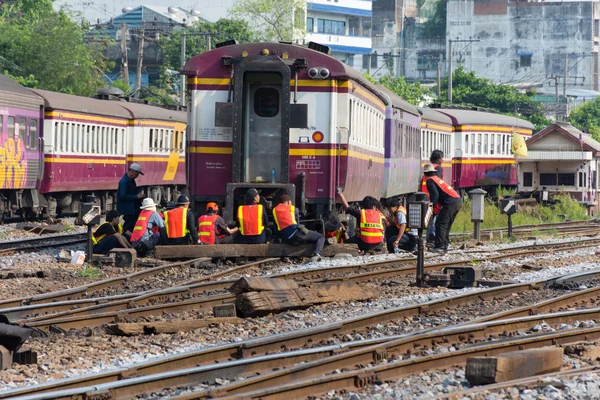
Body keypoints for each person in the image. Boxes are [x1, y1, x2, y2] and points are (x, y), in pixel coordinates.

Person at [273, 194, 326, 262]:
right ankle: (317, 253)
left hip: (287, 238)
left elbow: (276, 228)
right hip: (297, 235)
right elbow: (297, 224)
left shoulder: (274, 210)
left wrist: (276, 242)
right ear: (288, 202)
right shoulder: (293, 209)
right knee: (320, 237)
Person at [423, 164, 462, 254]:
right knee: (446, 225)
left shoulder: (430, 181)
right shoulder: (436, 179)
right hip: (457, 200)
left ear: (425, 173)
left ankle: (440, 246)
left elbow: (435, 196)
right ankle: (444, 245)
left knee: (440, 224)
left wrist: (431, 208)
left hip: (450, 203)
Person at [337, 189, 385, 254]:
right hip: (378, 242)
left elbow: (347, 208)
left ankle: (362, 250)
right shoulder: (379, 214)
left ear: (363, 206)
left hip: (364, 242)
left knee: (347, 243)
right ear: (373, 206)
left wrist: (340, 193)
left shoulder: (361, 213)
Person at [422, 150, 444, 245]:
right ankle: (432, 237)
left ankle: (429, 237)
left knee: (429, 217)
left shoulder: (429, 167)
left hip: (425, 196)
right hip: (433, 197)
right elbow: (438, 183)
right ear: (438, 159)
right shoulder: (437, 169)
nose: (442, 160)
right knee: (434, 218)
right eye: (442, 158)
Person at [117, 163, 145, 234]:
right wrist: (136, 196)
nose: (137, 176)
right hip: (128, 211)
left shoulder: (131, 181)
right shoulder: (124, 182)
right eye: (137, 174)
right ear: (132, 171)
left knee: (132, 226)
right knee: (128, 227)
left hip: (132, 210)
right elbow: (123, 196)